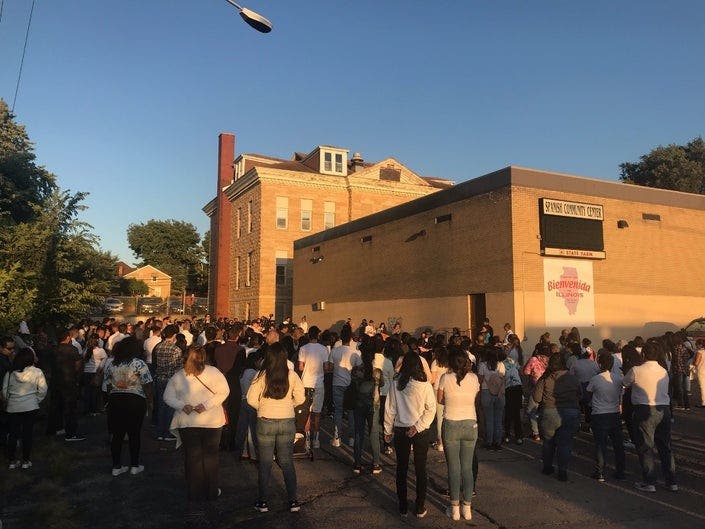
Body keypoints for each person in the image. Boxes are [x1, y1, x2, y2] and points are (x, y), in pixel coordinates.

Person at [164, 345, 230, 502]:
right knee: (211, 457)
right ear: (203, 357)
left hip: (188, 422)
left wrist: (182, 406)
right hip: (212, 422)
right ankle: (211, 491)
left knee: (192, 457)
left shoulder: (178, 376)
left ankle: (194, 492)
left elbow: (167, 397)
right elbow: (224, 391)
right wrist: (206, 405)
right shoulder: (214, 372)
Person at [247, 342, 306, 513]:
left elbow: (250, 399)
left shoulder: (261, 375)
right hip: (287, 420)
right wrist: (289, 405)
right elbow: (301, 398)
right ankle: (293, 500)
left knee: (265, 463)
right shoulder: (292, 375)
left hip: (265, 420)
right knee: (286, 461)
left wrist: (262, 407)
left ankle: (263, 501)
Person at [384, 352, 436, 518]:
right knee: (421, 468)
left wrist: (387, 430)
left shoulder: (396, 384)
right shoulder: (425, 385)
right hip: (420, 431)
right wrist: (418, 426)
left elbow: (390, 408)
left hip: (401, 429)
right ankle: (420, 506)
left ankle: (403, 506)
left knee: (402, 468)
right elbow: (431, 409)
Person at [623, 341, 677, 492]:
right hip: (663, 409)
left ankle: (649, 481)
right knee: (665, 446)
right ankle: (672, 481)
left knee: (646, 447)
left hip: (644, 409)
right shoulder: (663, 371)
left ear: (643, 354)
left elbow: (625, 383)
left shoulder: (636, 370)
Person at [437, 350, 480, 521]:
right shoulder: (474, 378)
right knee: (467, 468)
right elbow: (475, 398)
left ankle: (454, 508)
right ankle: (467, 508)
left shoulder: (445, 378)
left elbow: (440, 399)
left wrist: (452, 400)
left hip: (451, 423)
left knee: (454, 468)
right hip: (470, 423)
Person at [103, 337, 153, 476]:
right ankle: (135, 465)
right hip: (135, 400)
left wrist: (110, 399)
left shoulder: (112, 364)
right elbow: (147, 384)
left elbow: (107, 384)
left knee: (117, 435)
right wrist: (150, 402)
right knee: (134, 433)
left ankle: (116, 466)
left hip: (115, 400)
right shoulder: (139, 363)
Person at [533, 353, 581, 482]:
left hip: (549, 411)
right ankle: (562, 471)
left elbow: (536, 398)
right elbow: (580, 395)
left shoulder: (545, 378)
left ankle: (547, 467)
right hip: (570, 412)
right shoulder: (573, 378)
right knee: (565, 444)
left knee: (548, 442)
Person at [2, 347, 47, 469]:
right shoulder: (37, 372)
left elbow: (5, 391)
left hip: (13, 407)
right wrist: (36, 400)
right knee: (27, 434)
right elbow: (43, 389)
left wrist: (10, 400)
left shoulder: (10, 373)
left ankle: (12, 460)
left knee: (13, 434)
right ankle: (26, 460)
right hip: (30, 406)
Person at [586, 352, 626, 482]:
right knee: (618, 444)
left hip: (599, 413)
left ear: (599, 364)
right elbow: (622, 394)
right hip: (614, 413)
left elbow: (588, 393)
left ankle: (600, 472)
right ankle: (620, 471)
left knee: (600, 444)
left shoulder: (595, 379)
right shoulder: (618, 378)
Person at [351, 342, 383, 474]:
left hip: (359, 404)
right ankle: (376, 463)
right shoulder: (377, 372)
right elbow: (382, 384)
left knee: (359, 433)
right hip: (374, 405)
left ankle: (357, 463)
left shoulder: (356, 370)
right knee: (374, 433)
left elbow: (353, 384)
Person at [329, 324, 361, 448]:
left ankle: (337, 437)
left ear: (341, 338)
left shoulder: (334, 351)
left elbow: (330, 367)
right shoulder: (356, 352)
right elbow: (359, 369)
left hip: (337, 383)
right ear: (351, 338)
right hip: (350, 384)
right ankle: (352, 437)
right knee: (351, 411)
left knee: (338, 410)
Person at [297, 326, 328, 449]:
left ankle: (307, 440)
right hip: (318, 383)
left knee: (307, 413)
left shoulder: (303, 348)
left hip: (305, 383)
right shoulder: (324, 349)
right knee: (317, 413)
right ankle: (316, 439)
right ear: (318, 335)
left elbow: (300, 367)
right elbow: (326, 367)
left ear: (308, 335)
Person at [153, 324, 182, 441]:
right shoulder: (176, 349)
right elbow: (179, 368)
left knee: (161, 406)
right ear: (174, 335)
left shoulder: (158, 347)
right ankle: (168, 432)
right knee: (170, 407)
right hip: (171, 380)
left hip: (160, 378)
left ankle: (160, 432)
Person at [478, 347, 505, 450]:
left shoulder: (483, 365)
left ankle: (489, 441)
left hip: (486, 391)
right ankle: (497, 442)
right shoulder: (501, 365)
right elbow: (503, 378)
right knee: (498, 419)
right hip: (499, 393)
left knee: (489, 419)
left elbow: (480, 380)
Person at [523, 344, 550, 441]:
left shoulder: (534, 359)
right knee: (544, 410)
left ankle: (536, 433)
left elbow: (526, 372)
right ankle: (544, 431)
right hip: (548, 388)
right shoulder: (550, 361)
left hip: (536, 387)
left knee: (531, 410)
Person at [82, 333, 107, 415]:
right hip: (95, 373)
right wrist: (99, 372)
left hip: (86, 372)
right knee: (95, 392)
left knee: (87, 391)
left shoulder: (85, 350)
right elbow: (103, 363)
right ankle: (94, 409)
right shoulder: (101, 351)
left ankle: (86, 409)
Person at [694, 339, 705, 407]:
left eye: (697, 344)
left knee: (703, 387)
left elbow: (696, 363)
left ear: (700, 345)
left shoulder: (700, 352)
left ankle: (704, 402)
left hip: (701, 371)